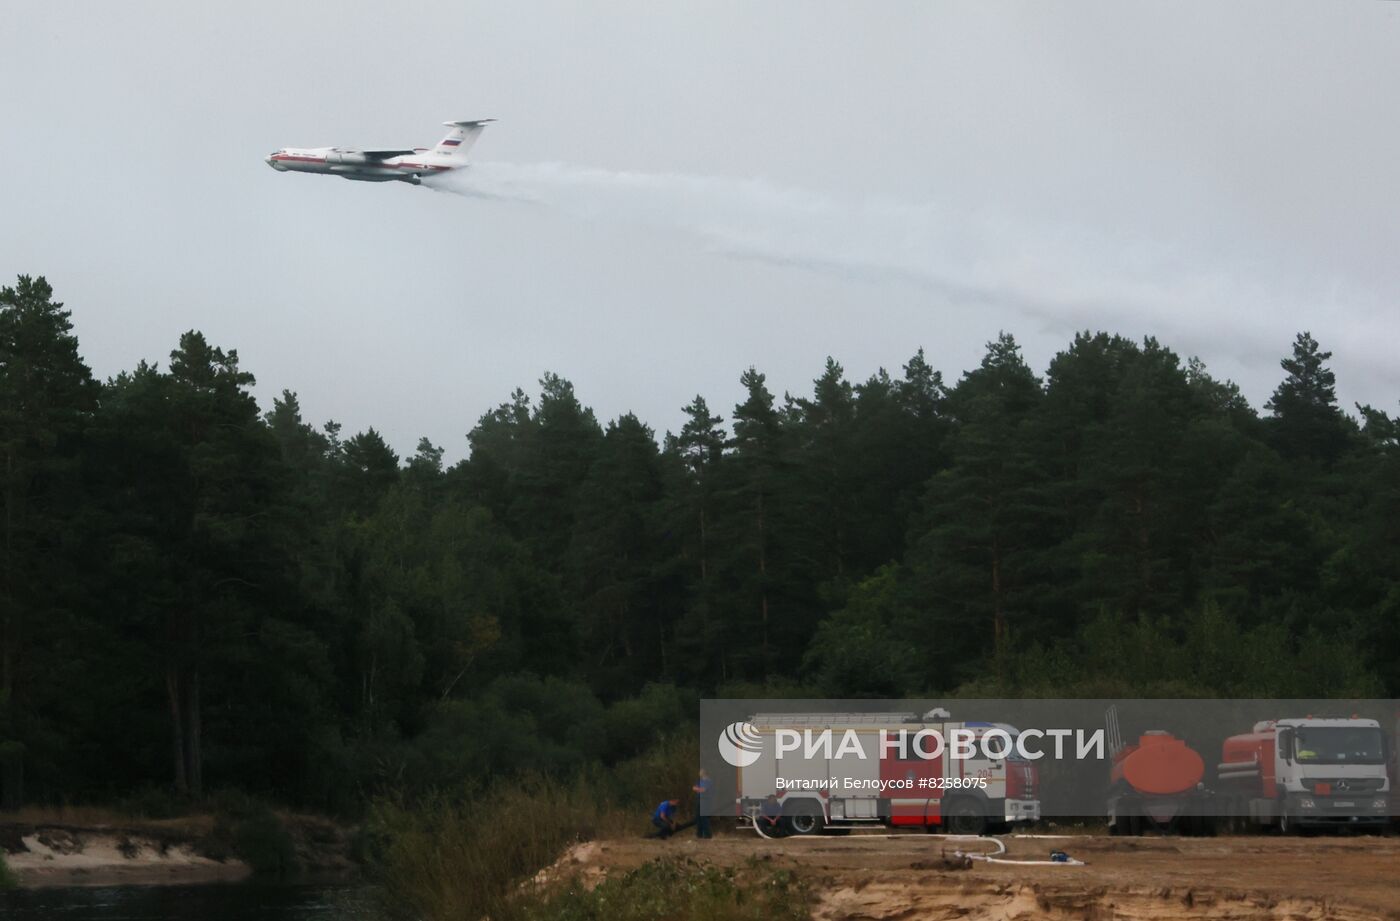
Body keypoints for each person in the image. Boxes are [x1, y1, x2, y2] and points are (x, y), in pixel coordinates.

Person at [692, 769, 713, 839]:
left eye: (700, 771)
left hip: (705, 801)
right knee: (698, 818)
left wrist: (699, 789)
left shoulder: (708, 781)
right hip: (699, 800)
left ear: (704, 773)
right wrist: (699, 789)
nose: (699, 773)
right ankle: (699, 835)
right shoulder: (699, 781)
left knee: (704, 818)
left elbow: (703, 790)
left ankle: (708, 835)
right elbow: (694, 788)